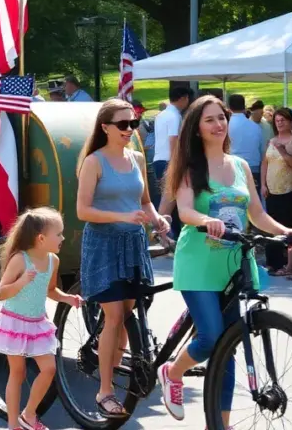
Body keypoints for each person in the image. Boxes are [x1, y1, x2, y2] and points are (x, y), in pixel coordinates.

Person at [157, 95, 292, 427]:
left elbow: (256, 213)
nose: (218, 124)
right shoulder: (190, 167)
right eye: (209, 120)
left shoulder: (238, 165)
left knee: (229, 346)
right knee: (210, 337)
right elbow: (185, 210)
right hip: (198, 261)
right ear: (196, 128)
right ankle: (172, 372)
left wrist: (286, 231)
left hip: (233, 264)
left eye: (221, 117)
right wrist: (204, 220)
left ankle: (218, 424)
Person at [77, 98, 169, 418]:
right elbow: (83, 210)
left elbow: (144, 202)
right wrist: (122, 215)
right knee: (115, 314)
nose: (130, 129)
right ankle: (104, 391)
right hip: (103, 245)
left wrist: (157, 220)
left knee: (128, 314)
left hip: (133, 244)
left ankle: (115, 370)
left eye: (133, 123)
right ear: (105, 127)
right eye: (123, 124)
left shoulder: (137, 159)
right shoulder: (95, 162)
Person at [0, 207, 81, 430]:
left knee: (49, 369)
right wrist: (21, 283)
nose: (62, 238)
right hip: (14, 322)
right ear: (41, 238)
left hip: (37, 322)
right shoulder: (20, 260)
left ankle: (29, 414)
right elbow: (1, 292)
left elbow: (50, 290)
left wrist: (67, 298)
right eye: (58, 234)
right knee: (17, 373)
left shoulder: (53, 261)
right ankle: (13, 424)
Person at [261, 107, 292, 276]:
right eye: (277, 120)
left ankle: (288, 263)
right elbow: (265, 163)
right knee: (272, 226)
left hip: (288, 189)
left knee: (287, 226)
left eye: (283, 120)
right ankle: (272, 262)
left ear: (291, 121)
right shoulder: (272, 140)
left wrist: (283, 151)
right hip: (271, 189)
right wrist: (263, 184)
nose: (280, 123)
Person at [152, 87, 191, 212]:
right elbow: (173, 139)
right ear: (183, 98)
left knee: (164, 198)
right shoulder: (175, 116)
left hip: (158, 159)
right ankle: (169, 229)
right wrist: (177, 161)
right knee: (171, 199)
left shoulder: (161, 115)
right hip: (169, 160)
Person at [227, 94, 264, 193]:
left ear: (229, 107)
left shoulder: (226, 126)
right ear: (244, 107)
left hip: (232, 167)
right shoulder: (255, 127)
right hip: (253, 167)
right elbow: (262, 150)